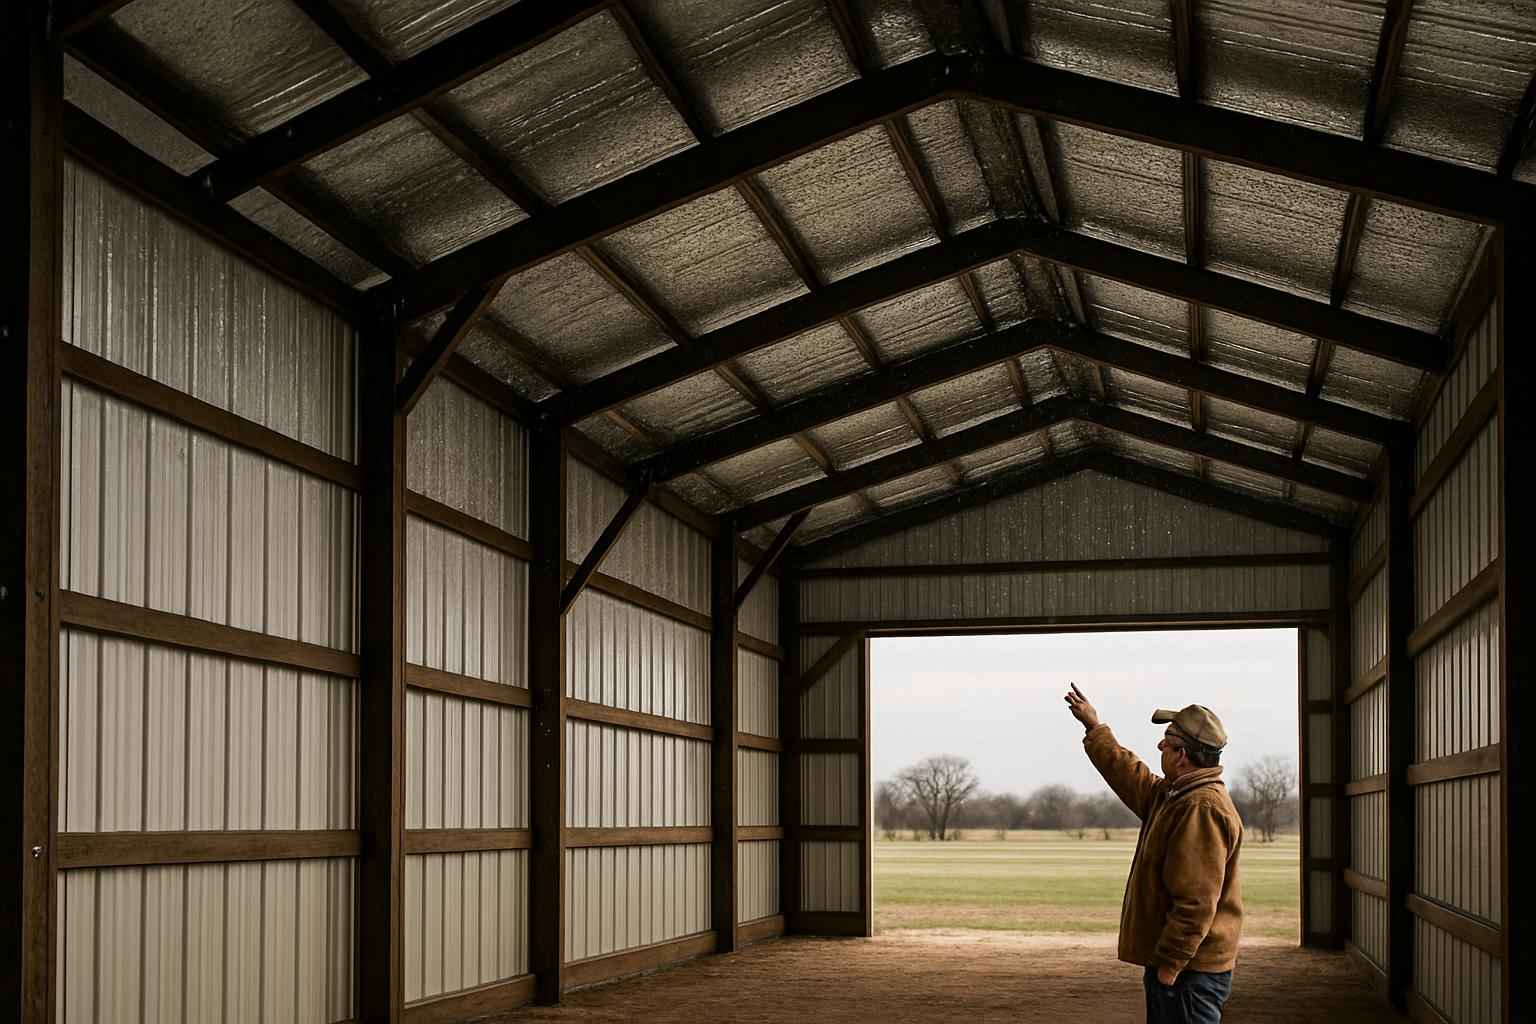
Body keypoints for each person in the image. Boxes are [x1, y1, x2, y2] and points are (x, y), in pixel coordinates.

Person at [1063, 683, 1244, 1024]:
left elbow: (1196, 902)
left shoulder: (1200, 808)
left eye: (1168, 740)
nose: (1160, 745)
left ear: (1182, 755)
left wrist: (1169, 967)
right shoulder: (1175, 796)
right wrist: (1094, 727)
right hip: (1182, 968)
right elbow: (1130, 776)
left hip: (1189, 973)